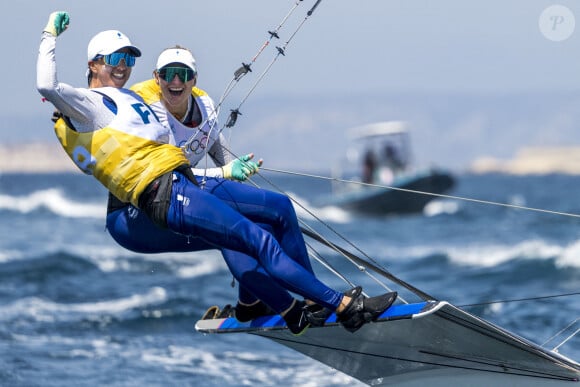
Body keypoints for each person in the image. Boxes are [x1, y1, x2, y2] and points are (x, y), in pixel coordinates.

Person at [37, 11, 397, 335]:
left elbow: (181, 146)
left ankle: (280, 308)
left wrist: (228, 168)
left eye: (128, 58)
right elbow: (49, 88)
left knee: (263, 221)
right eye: (116, 59)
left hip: (178, 182)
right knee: (254, 239)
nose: (124, 65)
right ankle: (338, 306)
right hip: (151, 199)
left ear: (193, 78)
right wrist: (49, 35)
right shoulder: (88, 104)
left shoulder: (137, 98)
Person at [107, 45, 321, 324]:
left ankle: (253, 304)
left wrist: (239, 169)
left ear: (194, 79)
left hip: (183, 201)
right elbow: (171, 177)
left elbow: (222, 157)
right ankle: (310, 303)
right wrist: (225, 172)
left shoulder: (204, 106)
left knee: (264, 219)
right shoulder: (147, 112)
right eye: (169, 74)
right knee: (230, 231)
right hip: (135, 217)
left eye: (183, 74)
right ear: (157, 77)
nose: (176, 81)